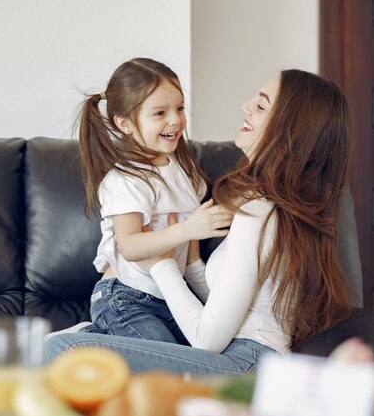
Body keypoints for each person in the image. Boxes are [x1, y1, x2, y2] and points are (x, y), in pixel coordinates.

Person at [46, 69, 354, 375]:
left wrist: (162, 265)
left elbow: (207, 339)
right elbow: (226, 308)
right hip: (242, 356)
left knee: (62, 351)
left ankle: (89, 338)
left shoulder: (259, 212)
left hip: (245, 362)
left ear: (290, 130)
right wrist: (190, 262)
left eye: (261, 106)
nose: (245, 106)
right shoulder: (275, 207)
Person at [76, 57, 233, 344]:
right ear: (124, 123)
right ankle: (81, 345)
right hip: (124, 297)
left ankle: (95, 342)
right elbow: (130, 245)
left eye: (179, 108)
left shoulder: (186, 174)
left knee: (204, 360)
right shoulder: (126, 180)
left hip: (168, 300)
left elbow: (190, 260)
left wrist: (216, 306)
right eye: (159, 113)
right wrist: (188, 229)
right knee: (169, 369)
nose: (175, 120)